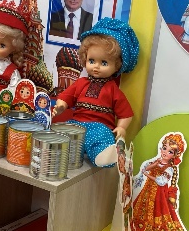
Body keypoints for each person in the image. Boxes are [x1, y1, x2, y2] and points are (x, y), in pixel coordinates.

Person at [52, 17, 139, 167]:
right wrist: (61, 106)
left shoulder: (112, 89)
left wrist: (121, 127)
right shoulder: (81, 83)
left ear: (117, 66)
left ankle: (103, 155)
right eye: (92, 61)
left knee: (101, 137)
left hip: (99, 126)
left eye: (104, 63)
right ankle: (60, 153)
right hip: (77, 125)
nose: (96, 67)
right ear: (84, 58)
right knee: (63, 132)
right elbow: (66, 97)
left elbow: (126, 114)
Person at [131, 133, 189, 231]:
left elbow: (161, 181)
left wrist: (148, 175)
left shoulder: (169, 168)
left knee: (157, 209)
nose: (165, 152)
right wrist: (154, 165)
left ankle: (155, 229)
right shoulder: (156, 161)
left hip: (159, 192)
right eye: (164, 148)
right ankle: (139, 226)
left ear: (174, 156)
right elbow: (146, 168)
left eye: (170, 152)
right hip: (147, 189)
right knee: (143, 206)